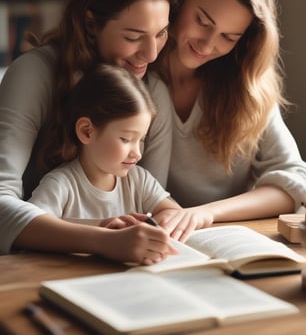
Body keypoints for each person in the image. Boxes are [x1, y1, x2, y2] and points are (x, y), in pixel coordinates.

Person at [0, 0, 179, 264]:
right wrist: (102, 238)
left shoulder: (152, 91)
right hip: (33, 265)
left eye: (161, 34)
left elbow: (145, 208)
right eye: (134, 36)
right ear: (91, 23)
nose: (151, 54)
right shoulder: (34, 74)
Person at [146, 0, 306, 231]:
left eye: (228, 36)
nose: (208, 44)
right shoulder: (138, 70)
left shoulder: (246, 86)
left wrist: (204, 214)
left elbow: (298, 180)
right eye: (202, 21)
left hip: (223, 236)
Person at [28, 65, 187, 264]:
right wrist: (103, 230)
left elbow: (174, 213)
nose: (137, 153)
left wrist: (152, 227)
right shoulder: (60, 185)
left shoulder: (138, 179)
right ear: (87, 131)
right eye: (126, 139)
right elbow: (31, 230)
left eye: (141, 140)